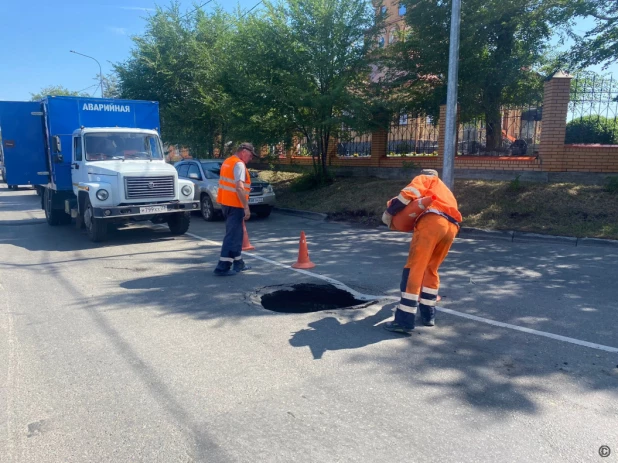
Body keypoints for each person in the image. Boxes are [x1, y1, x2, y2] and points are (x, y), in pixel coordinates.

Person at [381, 169, 462, 334]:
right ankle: (428, 314)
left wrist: (390, 212)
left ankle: (404, 320)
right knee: (431, 268)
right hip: (452, 227)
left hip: (432, 222)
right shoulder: (445, 190)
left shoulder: (425, 178)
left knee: (415, 268)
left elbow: (408, 194)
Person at [213, 143, 256, 276]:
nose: (251, 158)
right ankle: (222, 267)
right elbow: (239, 187)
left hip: (226, 203)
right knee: (232, 236)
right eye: (250, 155)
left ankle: (238, 263)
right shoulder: (239, 164)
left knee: (236, 235)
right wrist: (246, 207)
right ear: (244, 152)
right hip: (235, 205)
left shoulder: (228, 161)